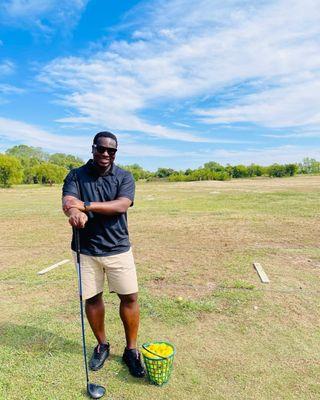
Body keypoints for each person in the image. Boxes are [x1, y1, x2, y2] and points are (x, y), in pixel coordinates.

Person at [62, 131, 145, 378]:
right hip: (86, 250)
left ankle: (131, 350)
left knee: (129, 298)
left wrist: (86, 206)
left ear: (116, 152)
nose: (106, 154)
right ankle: (102, 345)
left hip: (118, 247)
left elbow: (121, 204)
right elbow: (68, 201)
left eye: (112, 150)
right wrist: (75, 213)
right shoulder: (76, 175)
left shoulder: (124, 176)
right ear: (93, 148)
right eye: (101, 149)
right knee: (92, 298)